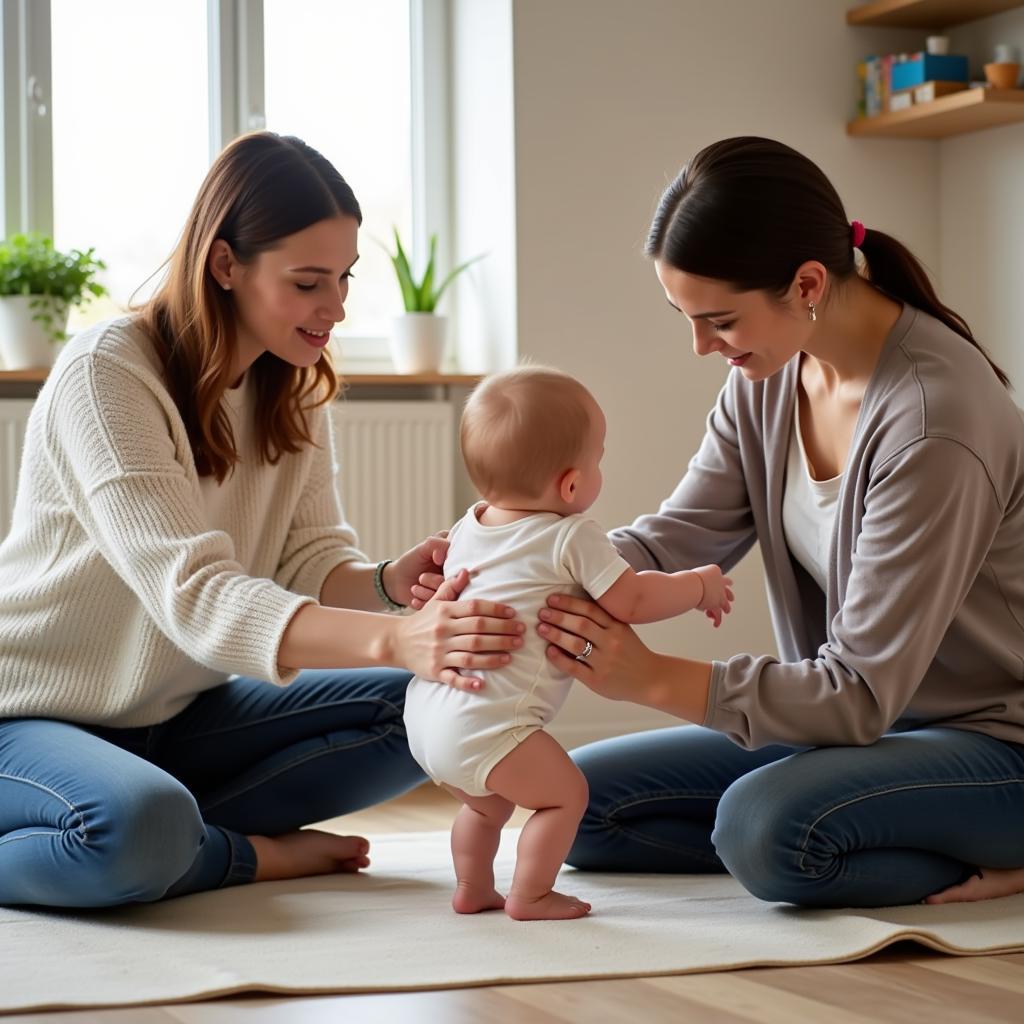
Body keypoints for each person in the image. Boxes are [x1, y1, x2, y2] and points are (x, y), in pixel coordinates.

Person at [415, 137, 1024, 909]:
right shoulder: (768, 380)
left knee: (764, 829)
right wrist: (519, 565)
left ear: (807, 283)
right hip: (855, 738)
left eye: (720, 320)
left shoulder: (935, 424)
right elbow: (676, 537)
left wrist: (654, 678)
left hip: (992, 747)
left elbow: (859, 691)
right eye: (685, 317)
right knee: (585, 804)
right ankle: (876, 824)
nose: (703, 347)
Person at [0, 131, 526, 909]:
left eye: (344, 279)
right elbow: (198, 597)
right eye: (310, 281)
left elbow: (308, 559)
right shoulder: (106, 375)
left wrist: (387, 585)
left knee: (445, 695)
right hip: (29, 715)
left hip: (179, 716)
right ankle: (217, 850)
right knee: (136, 827)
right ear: (225, 265)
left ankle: (161, 833)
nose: (337, 308)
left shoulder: (294, 386)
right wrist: (392, 635)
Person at [404, 366, 733, 920]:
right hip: (489, 724)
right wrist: (697, 585)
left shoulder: (470, 526)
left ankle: (472, 886)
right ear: (571, 485)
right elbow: (631, 600)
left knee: (488, 808)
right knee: (565, 797)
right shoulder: (571, 535)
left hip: (429, 715)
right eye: (598, 457)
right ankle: (530, 895)